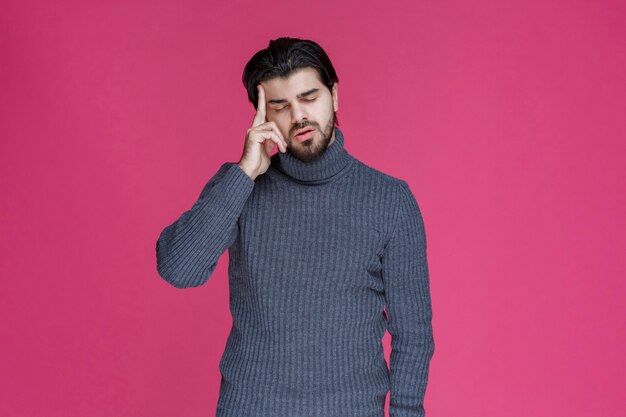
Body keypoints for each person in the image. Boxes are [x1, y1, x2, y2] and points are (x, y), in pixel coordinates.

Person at [155, 37, 435, 417]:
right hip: (250, 407)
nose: (299, 116)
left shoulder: (389, 199)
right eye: (280, 105)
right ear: (261, 116)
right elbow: (178, 269)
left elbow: (414, 336)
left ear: (334, 95)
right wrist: (244, 173)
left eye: (309, 97)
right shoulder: (239, 186)